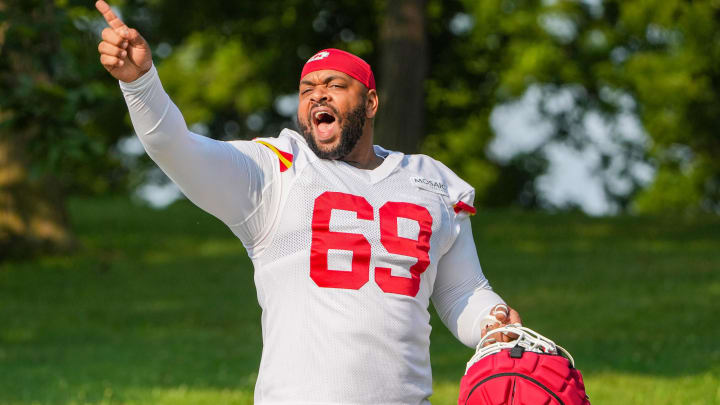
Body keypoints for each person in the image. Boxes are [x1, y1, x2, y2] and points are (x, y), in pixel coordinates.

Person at [95, 1, 522, 403]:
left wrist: (492, 322)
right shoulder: (276, 169)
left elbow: (462, 291)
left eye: (335, 85)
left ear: (370, 102)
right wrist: (141, 82)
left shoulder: (431, 182)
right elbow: (176, 148)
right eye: (307, 89)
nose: (318, 95)